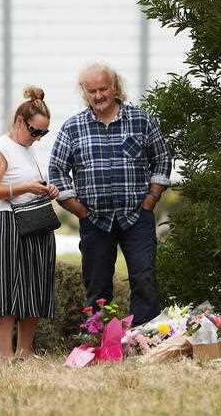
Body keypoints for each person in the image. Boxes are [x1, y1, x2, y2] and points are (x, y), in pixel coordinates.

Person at [48, 61, 171, 326]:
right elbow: (56, 171)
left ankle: (143, 338)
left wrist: (151, 199)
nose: (98, 95)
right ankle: (102, 339)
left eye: (103, 89)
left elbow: (162, 159)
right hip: (94, 220)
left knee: (144, 278)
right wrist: (78, 209)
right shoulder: (73, 127)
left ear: (115, 87)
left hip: (137, 216)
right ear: (84, 92)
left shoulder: (141, 120)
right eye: (91, 91)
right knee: (97, 284)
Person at [0, 86, 59, 363]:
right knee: (5, 286)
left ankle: (25, 351)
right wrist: (25, 186)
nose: (37, 138)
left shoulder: (27, 150)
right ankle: (4, 354)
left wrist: (47, 189)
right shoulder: (1, 149)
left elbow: (27, 186)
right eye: (34, 131)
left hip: (35, 222)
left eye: (43, 133)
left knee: (35, 284)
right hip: (9, 223)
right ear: (19, 121)